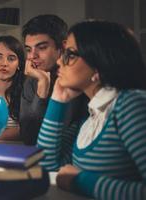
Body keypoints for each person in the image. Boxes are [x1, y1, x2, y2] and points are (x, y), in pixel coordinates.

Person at [37, 20, 146, 199]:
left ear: (98, 64)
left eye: (70, 54)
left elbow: (71, 177)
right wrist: (58, 100)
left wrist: (81, 181)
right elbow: (46, 166)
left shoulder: (131, 105)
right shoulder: (91, 118)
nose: (59, 61)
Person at [20, 14, 87, 145]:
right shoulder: (32, 81)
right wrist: (42, 87)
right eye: (28, 49)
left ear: (62, 47)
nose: (32, 56)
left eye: (42, 47)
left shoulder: (75, 80)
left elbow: (64, 137)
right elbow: (28, 137)